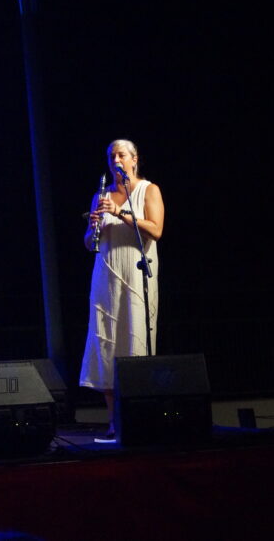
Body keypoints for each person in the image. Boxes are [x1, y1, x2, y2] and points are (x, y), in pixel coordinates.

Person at [80, 139, 164, 438]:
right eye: (111, 156)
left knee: (135, 341)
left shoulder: (148, 190)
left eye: (121, 155)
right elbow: (90, 244)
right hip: (106, 275)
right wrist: (93, 228)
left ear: (134, 159)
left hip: (136, 274)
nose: (115, 159)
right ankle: (114, 421)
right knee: (106, 344)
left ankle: (140, 418)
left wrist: (118, 212)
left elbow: (156, 230)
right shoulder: (100, 195)